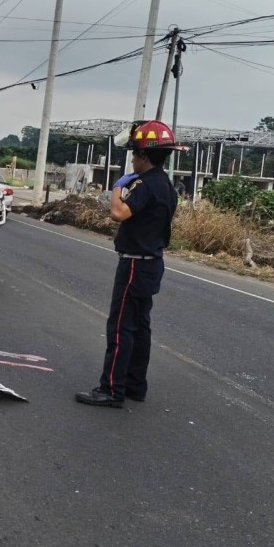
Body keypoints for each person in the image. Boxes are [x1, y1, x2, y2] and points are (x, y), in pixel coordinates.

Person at [75, 119, 188, 407]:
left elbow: (118, 213)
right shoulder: (166, 185)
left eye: (135, 154)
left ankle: (111, 389)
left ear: (145, 156)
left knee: (121, 327)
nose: (133, 160)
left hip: (135, 264)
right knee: (141, 328)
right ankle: (136, 385)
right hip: (152, 264)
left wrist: (116, 187)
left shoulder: (145, 184)